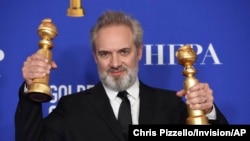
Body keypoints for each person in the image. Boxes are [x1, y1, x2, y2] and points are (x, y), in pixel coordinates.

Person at [15, 10, 228, 141]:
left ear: (139, 52)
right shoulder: (71, 108)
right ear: (95, 57)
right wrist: (32, 90)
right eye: (105, 53)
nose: (115, 63)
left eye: (124, 52)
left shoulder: (172, 106)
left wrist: (207, 111)